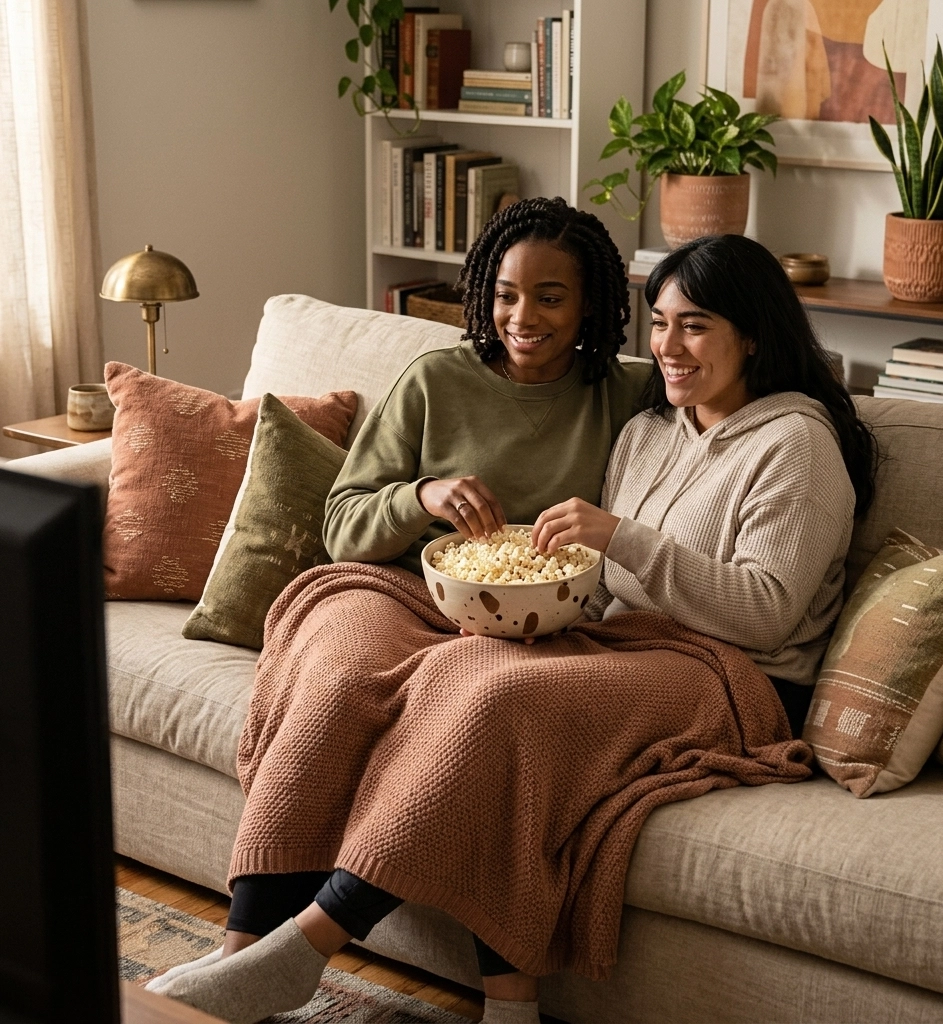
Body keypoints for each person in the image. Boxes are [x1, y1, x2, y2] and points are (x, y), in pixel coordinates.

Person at [149, 196, 651, 1024]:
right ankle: (247, 953)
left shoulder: (628, 394)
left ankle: (504, 1000)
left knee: (481, 720)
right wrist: (422, 495)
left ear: (591, 303)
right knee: (339, 673)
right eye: (506, 294)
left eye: (551, 297)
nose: (522, 317)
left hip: (537, 621)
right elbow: (342, 524)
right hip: (401, 586)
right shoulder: (434, 380)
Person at [531, 233, 877, 734]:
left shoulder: (796, 444)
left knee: (509, 701)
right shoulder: (645, 432)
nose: (667, 346)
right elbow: (603, 593)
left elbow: (765, 614)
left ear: (753, 335)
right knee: (470, 665)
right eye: (659, 323)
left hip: (740, 682)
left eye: (693, 326)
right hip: (628, 654)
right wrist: (549, 629)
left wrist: (621, 537)